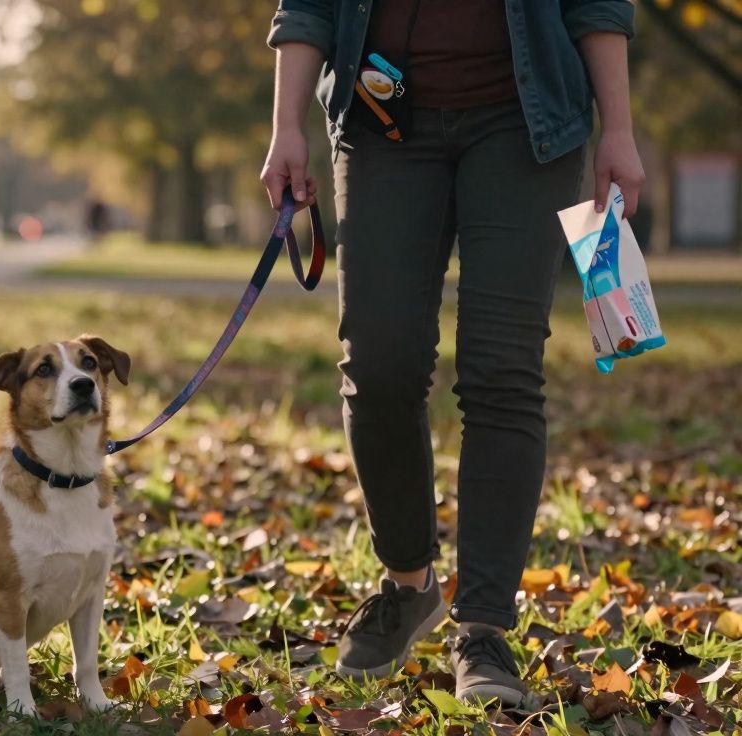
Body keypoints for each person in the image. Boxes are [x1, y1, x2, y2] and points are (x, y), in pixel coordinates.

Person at [260, 0, 644, 705]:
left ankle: (485, 630)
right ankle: (408, 586)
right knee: (379, 366)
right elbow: (309, 6)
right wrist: (285, 126)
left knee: (502, 369)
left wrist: (618, 128)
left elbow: (597, 4)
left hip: (527, 125)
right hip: (381, 119)